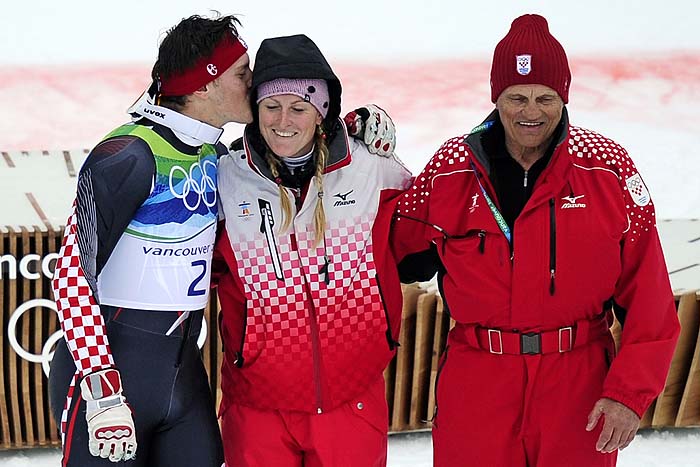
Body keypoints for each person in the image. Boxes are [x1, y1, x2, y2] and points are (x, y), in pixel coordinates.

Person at [48, 14, 395, 467]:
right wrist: (102, 387)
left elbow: (288, 145)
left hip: (183, 382)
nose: (254, 86)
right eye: (242, 74)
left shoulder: (215, 155)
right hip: (112, 383)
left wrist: (346, 125)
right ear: (205, 86)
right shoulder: (126, 155)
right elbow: (70, 276)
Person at [391, 14, 680, 467]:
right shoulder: (450, 169)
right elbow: (391, 254)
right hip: (479, 380)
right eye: (516, 97)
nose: (531, 112)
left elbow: (650, 298)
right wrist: (360, 165)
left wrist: (628, 394)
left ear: (564, 98)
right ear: (495, 98)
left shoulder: (607, 169)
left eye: (546, 98)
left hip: (577, 381)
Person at [213, 33, 412, 467]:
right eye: (271, 106)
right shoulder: (224, 178)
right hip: (258, 406)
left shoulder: (370, 170)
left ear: (322, 113)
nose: (284, 119)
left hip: (351, 399)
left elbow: (425, 225)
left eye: (300, 107)